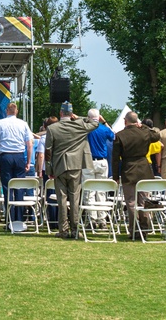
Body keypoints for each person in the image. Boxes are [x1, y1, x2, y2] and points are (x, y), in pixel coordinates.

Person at [45, 102, 98, 239]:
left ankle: (63, 230)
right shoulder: (79, 125)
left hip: (59, 167)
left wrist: (49, 169)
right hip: (75, 166)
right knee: (75, 198)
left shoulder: (52, 128)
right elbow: (95, 123)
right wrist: (79, 117)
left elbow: (48, 151)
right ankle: (75, 230)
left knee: (61, 199)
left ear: (60, 113)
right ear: (71, 114)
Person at [112, 111, 160, 239]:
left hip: (128, 169)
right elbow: (156, 135)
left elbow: (115, 158)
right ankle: (144, 229)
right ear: (137, 121)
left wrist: (115, 176)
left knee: (131, 202)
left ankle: (134, 229)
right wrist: (143, 126)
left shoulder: (120, 135)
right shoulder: (144, 132)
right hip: (144, 169)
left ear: (125, 121)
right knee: (144, 201)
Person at [0, 103, 33, 224]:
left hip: (5, 156)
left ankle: (9, 219)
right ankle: (19, 219)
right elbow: (29, 144)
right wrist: (28, 162)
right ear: (17, 111)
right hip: (19, 156)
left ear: (6, 111)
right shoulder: (23, 124)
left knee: (7, 188)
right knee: (19, 187)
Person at [85, 108, 114, 227]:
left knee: (89, 192)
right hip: (102, 161)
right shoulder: (104, 129)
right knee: (101, 191)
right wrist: (105, 122)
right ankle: (102, 219)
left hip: (89, 161)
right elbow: (114, 135)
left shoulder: (86, 128)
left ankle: (91, 219)